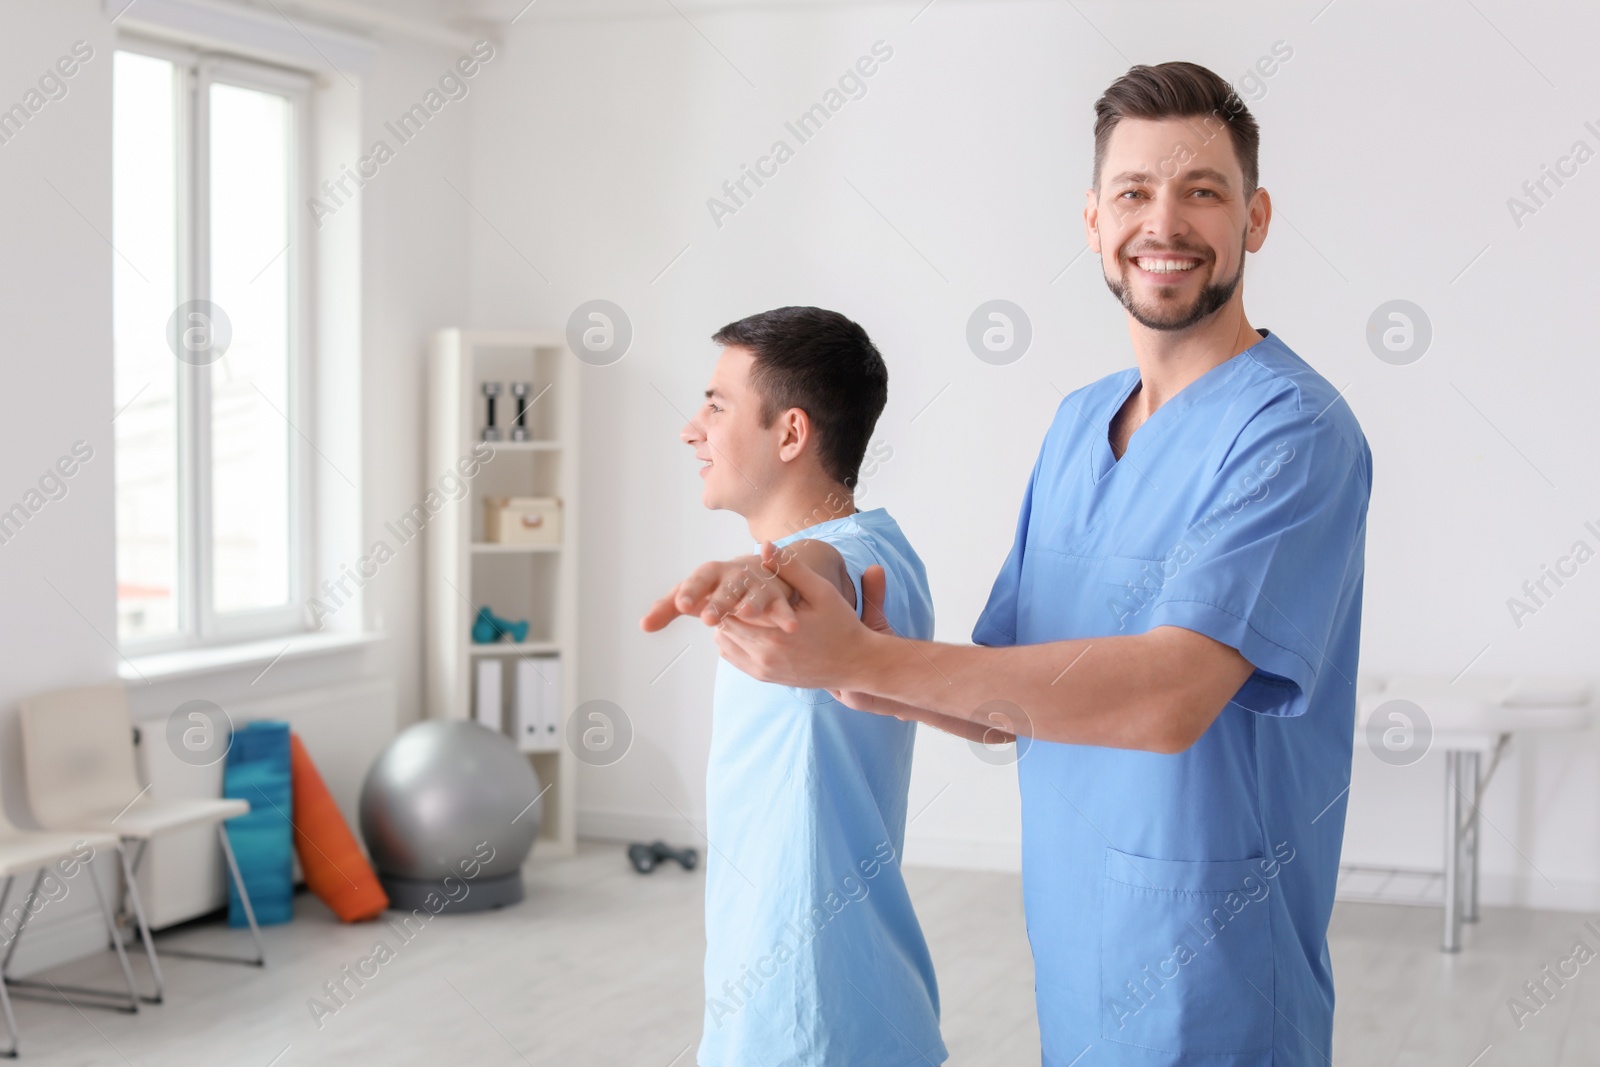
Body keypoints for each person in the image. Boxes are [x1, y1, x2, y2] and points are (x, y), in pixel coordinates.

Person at [680, 63, 1373, 1065]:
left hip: (1215, 972)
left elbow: (1166, 696)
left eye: (1202, 191)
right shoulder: (1076, 424)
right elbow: (996, 703)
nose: (1163, 223)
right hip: (1075, 948)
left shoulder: (1292, 430)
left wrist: (866, 661)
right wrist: (836, 653)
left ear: (1254, 218)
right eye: (1133, 192)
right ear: (1093, 220)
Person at [640, 306, 947, 1067]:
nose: (692, 429)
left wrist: (762, 575)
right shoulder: (884, 544)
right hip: (836, 993)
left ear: (790, 434)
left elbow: (813, 572)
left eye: (716, 405)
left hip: (808, 1011)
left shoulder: (842, 561)